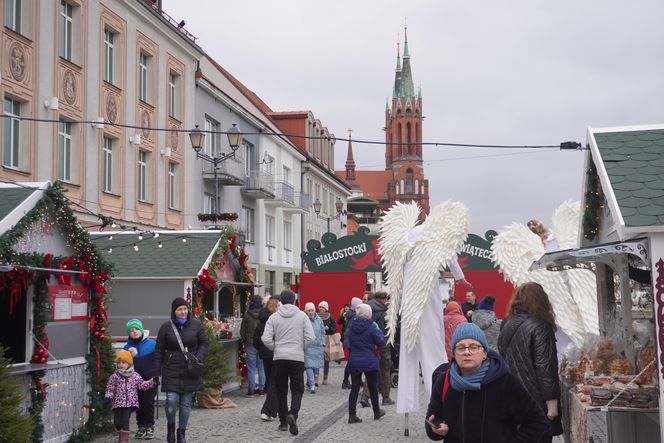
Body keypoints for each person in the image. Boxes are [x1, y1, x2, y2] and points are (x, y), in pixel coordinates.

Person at [425, 323, 548, 442]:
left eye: (473, 347)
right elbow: (432, 419)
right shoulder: (444, 380)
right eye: (461, 347)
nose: (467, 352)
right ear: (454, 353)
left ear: (484, 353)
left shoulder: (504, 382)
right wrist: (436, 429)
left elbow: (536, 420)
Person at [498, 282, 563, 442]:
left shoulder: (507, 323)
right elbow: (545, 368)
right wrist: (552, 403)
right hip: (535, 403)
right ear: (542, 300)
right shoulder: (540, 326)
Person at [261, 290, 315, 436]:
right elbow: (311, 337)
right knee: (297, 389)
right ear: (293, 301)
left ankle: (283, 422)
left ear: (281, 301)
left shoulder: (274, 317)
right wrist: (300, 347)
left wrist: (276, 348)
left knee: (281, 390)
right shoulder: (302, 316)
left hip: (279, 357)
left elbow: (265, 339)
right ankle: (294, 413)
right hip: (296, 357)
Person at [154, 297, 208, 443]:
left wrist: (198, 357)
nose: (183, 312)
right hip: (172, 368)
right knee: (171, 400)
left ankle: (181, 433)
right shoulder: (166, 327)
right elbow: (159, 350)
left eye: (185, 308)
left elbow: (204, 343)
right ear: (174, 311)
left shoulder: (196, 325)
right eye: (180, 309)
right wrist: (156, 371)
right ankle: (171, 428)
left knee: (185, 404)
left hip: (190, 369)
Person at [105, 350, 158, 443]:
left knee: (125, 421)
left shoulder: (135, 376)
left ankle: (123, 440)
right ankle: (120, 433)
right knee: (117, 422)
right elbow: (110, 388)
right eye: (119, 362)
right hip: (117, 403)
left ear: (129, 363)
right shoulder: (114, 376)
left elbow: (142, 385)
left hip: (130, 403)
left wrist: (152, 381)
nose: (121, 364)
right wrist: (108, 397)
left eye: (124, 362)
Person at [346, 303, 386, 423]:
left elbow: (348, 342)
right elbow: (381, 342)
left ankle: (352, 415)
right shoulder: (371, 326)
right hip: (369, 359)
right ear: (368, 313)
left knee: (354, 387)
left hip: (355, 359)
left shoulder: (351, 326)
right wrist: (379, 332)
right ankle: (376, 412)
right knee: (373, 387)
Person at [123, 319, 158, 440]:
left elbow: (160, 361)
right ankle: (141, 426)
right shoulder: (127, 347)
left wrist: (158, 374)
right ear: (129, 334)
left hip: (151, 379)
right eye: (131, 331)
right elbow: (123, 365)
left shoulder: (152, 344)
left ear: (141, 330)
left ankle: (149, 426)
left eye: (136, 329)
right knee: (138, 404)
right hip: (134, 381)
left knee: (148, 402)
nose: (134, 332)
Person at [365, 291, 394, 405]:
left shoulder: (367, 309)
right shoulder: (385, 311)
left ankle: (365, 396)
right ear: (383, 299)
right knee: (385, 370)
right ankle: (386, 397)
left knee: (370, 370)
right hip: (383, 343)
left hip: (371, 345)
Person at [254, 297, 280, 421]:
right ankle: (268, 410)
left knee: (271, 381)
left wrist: (262, 349)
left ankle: (276, 408)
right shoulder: (275, 321)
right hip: (276, 354)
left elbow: (256, 340)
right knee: (274, 383)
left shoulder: (261, 322)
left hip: (265, 355)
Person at [240, 294, 266, 396]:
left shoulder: (247, 315)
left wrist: (245, 340)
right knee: (261, 367)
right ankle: (261, 389)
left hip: (250, 344)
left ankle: (251, 389)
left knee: (251, 368)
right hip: (262, 343)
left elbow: (242, 330)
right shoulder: (264, 314)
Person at [341, 296, 363, 389]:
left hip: (350, 340)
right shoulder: (354, 316)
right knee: (351, 361)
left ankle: (354, 380)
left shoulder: (350, 314)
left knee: (353, 360)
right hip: (352, 341)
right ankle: (345, 381)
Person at [303, 302, 325, 393]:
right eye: (309, 310)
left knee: (316, 367)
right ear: (306, 311)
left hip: (318, 346)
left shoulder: (319, 320)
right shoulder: (303, 320)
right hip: (308, 347)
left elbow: (322, 332)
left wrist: (323, 342)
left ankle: (309, 382)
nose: (311, 312)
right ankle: (312, 385)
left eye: (312, 310)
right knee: (309, 366)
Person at [317, 301, 337, 384]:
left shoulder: (330, 317)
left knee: (326, 359)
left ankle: (325, 378)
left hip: (327, 339)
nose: (321, 308)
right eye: (320, 307)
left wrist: (328, 328)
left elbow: (334, 329)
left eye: (323, 307)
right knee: (317, 358)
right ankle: (316, 377)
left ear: (326, 309)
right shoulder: (315, 316)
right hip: (317, 339)